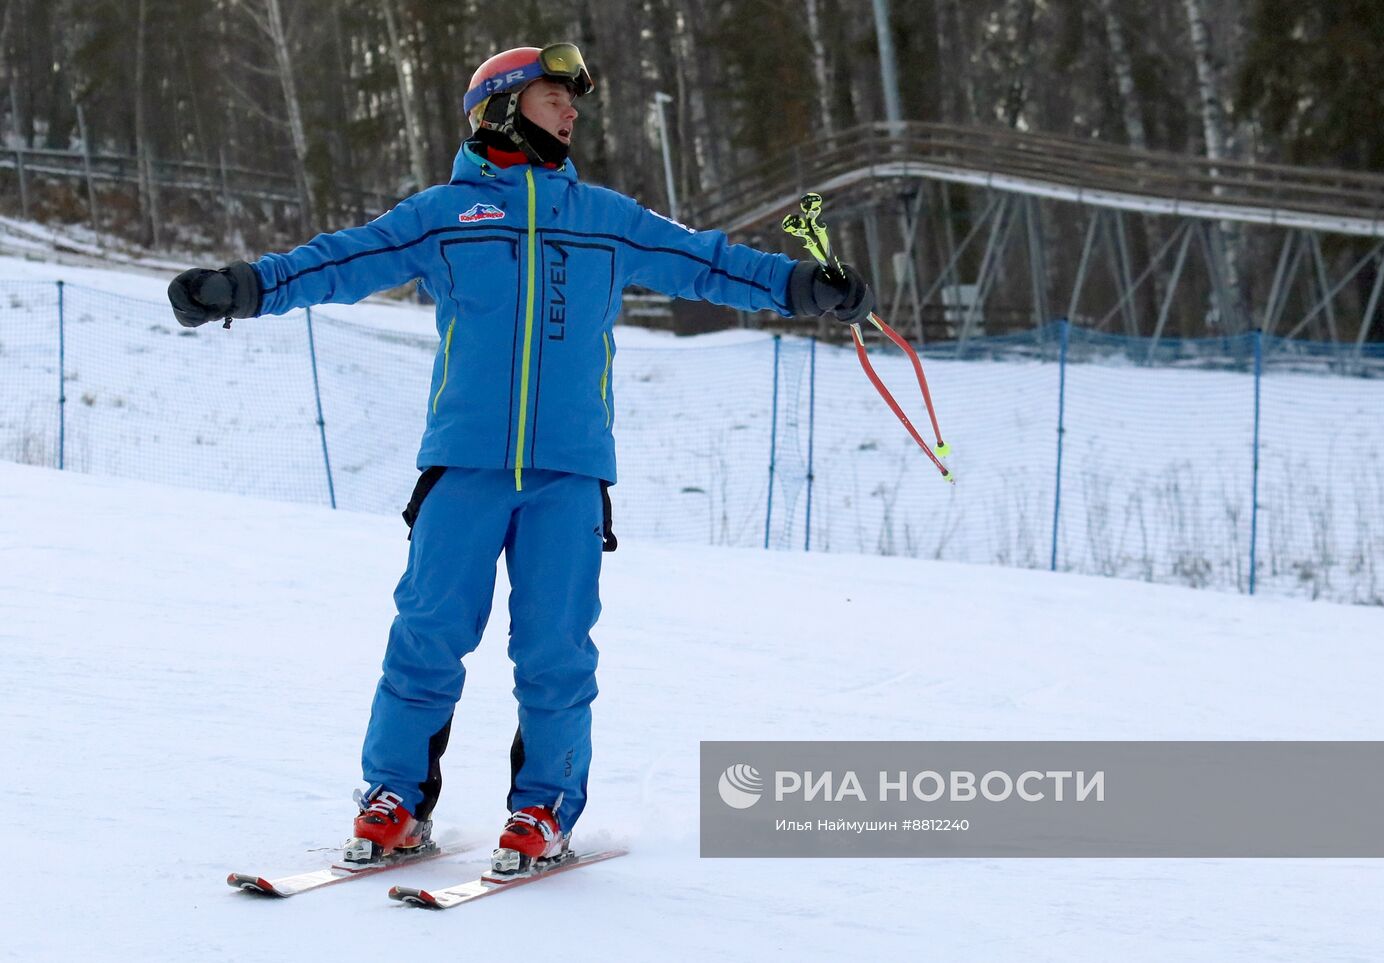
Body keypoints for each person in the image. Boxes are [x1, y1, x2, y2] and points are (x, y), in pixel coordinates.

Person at [167, 43, 874, 874]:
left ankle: (543, 808)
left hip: (569, 474)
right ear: (501, 107)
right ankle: (394, 799)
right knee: (427, 634)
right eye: (552, 98)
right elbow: (340, 258)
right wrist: (243, 287)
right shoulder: (444, 213)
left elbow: (710, 260)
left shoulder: (605, 216)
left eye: (572, 102)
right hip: (463, 465)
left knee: (554, 649)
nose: (571, 113)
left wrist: (801, 286)